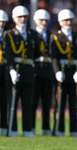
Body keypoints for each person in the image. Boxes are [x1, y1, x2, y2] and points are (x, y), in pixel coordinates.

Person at [4, 5, 39, 137]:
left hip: (28, 71)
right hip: (15, 71)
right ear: (14, 19)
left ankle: (27, 129)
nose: (22, 19)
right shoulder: (9, 35)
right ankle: (11, 129)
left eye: (24, 17)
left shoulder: (33, 35)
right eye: (20, 17)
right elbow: (9, 54)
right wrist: (12, 69)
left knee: (28, 102)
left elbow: (36, 53)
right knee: (12, 102)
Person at [50, 9, 77, 137]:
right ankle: (59, 129)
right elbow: (53, 57)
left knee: (74, 104)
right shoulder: (55, 37)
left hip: (73, 72)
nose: (68, 22)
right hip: (62, 72)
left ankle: (74, 130)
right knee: (60, 103)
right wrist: (57, 71)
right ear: (60, 22)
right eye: (65, 20)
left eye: (69, 20)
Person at [32, 9, 53, 135]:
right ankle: (32, 127)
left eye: (45, 20)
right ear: (36, 21)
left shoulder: (51, 35)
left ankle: (46, 128)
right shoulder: (32, 34)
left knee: (47, 102)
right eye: (41, 20)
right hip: (36, 71)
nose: (43, 22)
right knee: (33, 102)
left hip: (48, 71)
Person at [0, 9, 9, 136]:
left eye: (3, 22)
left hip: (5, 69)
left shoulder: (8, 35)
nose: (1, 24)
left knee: (5, 100)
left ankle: (4, 127)